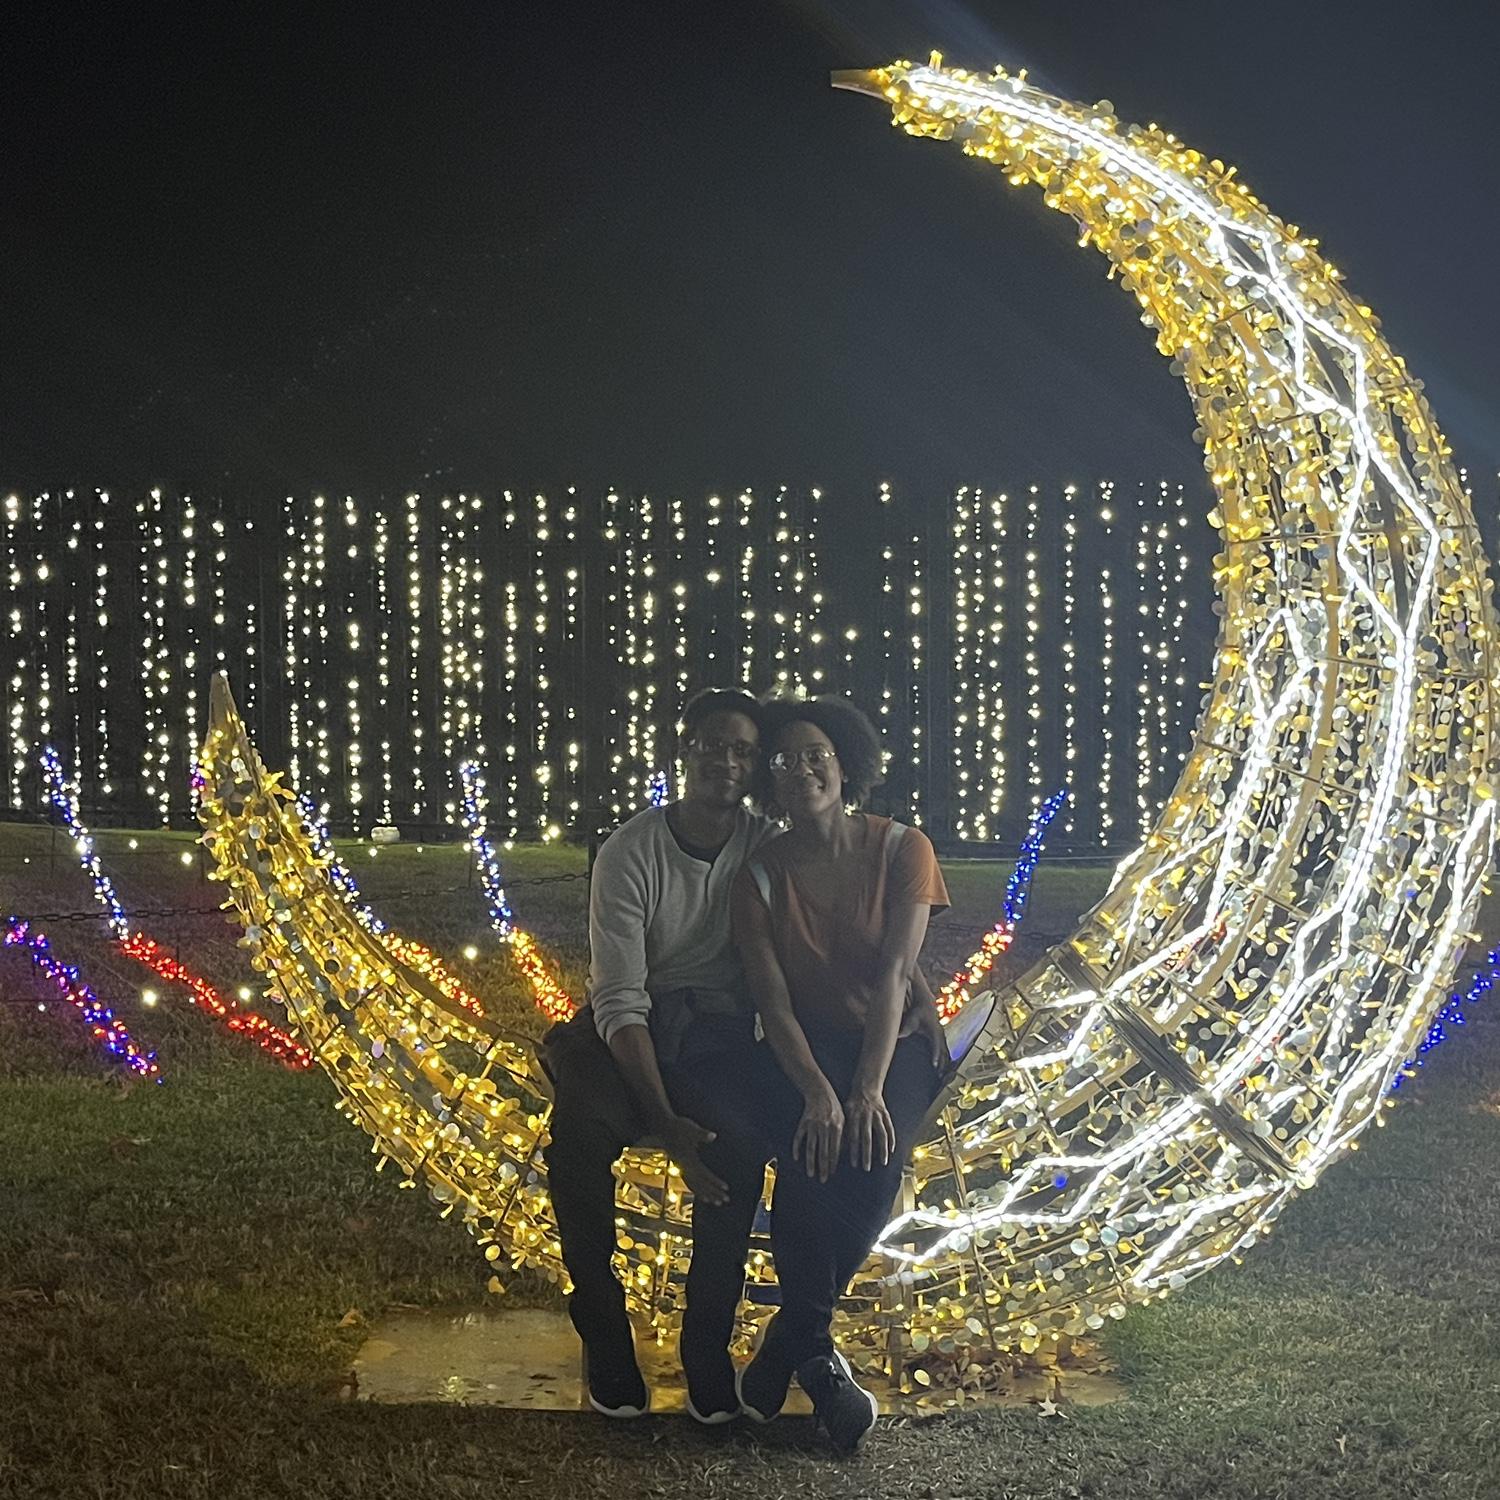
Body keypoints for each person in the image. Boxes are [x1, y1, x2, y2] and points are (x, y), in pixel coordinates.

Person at [541, 687, 777, 1424]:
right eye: (713, 744)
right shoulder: (632, 850)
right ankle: (603, 1325)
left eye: (743, 750)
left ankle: (705, 1342)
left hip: (716, 1036)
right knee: (578, 1139)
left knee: (740, 1149)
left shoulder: (764, 845)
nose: (727, 761)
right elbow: (620, 997)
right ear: (686, 750)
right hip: (633, 1033)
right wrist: (663, 1120)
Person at [729, 694, 950, 1455]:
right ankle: (816, 1360)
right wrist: (819, 1091)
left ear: (846, 762)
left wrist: (862, 1089)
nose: (802, 771)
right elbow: (772, 1000)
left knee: (871, 1155)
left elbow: (895, 976)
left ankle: (790, 1341)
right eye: (784, 761)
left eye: (816, 754)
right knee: (805, 1159)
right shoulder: (760, 877)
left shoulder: (902, 849)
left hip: (895, 1041)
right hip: (806, 1043)